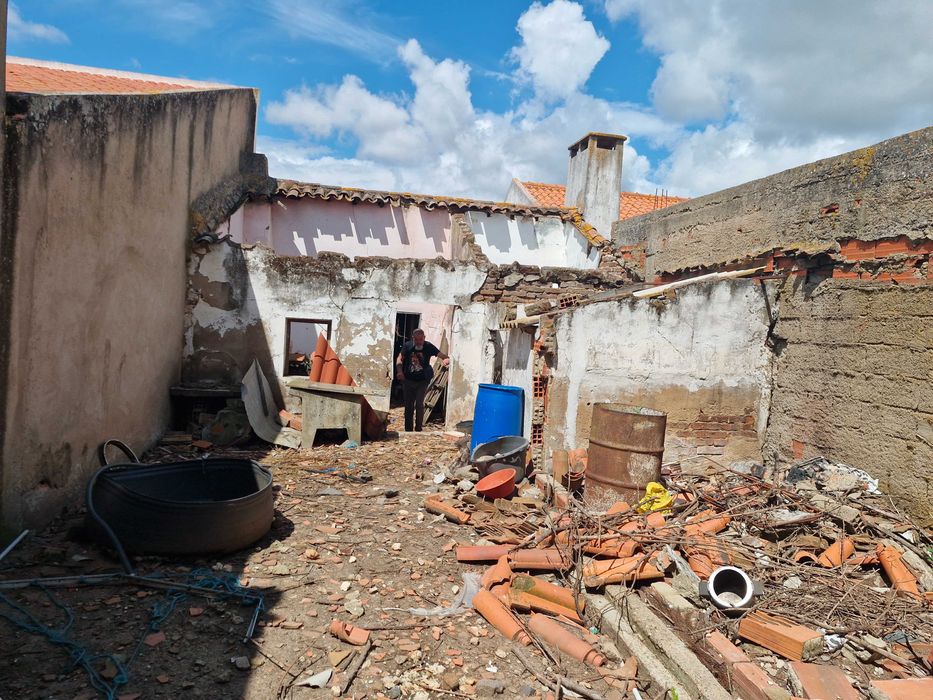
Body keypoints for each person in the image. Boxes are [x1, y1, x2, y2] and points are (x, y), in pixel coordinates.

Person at [395, 329, 449, 432]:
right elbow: (399, 358)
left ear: (424, 338)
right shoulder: (408, 346)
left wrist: (445, 359)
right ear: (413, 338)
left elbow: (441, 355)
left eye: (421, 339)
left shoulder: (428, 346)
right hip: (408, 380)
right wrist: (399, 371)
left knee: (419, 404)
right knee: (409, 405)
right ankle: (408, 430)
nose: (419, 342)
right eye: (416, 340)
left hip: (422, 380)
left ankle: (419, 428)